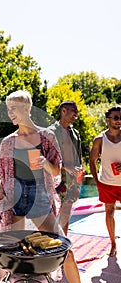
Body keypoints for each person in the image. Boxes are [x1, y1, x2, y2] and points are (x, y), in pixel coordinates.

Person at [0, 90, 93, 283]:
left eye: (13, 109)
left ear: (27, 108)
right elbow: (1, 179)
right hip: (16, 204)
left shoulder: (46, 136)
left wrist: (44, 163)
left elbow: (56, 171)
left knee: (64, 251)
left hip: (39, 200)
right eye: (8, 109)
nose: (10, 114)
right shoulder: (8, 142)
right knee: (20, 257)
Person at [48, 101, 85, 235]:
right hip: (55, 177)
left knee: (67, 209)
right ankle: (50, 239)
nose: (76, 114)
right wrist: (66, 167)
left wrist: (80, 169)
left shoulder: (75, 133)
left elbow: (79, 156)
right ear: (63, 111)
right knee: (52, 210)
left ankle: (63, 240)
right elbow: (47, 158)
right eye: (73, 111)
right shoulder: (51, 132)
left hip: (71, 179)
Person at [89, 105, 121, 257]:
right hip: (107, 183)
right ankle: (113, 244)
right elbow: (92, 161)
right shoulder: (99, 140)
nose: (119, 120)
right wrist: (97, 181)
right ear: (108, 119)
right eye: (115, 117)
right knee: (109, 212)